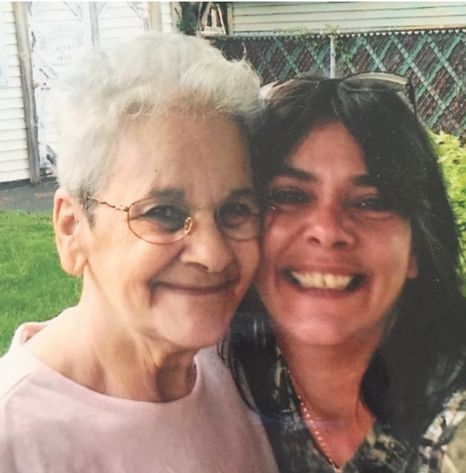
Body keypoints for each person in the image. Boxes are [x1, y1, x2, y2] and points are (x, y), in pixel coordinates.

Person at [0, 33, 278, 473]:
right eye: (163, 213)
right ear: (72, 229)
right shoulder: (15, 439)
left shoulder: (236, 370)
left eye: (235, 211)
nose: (213, 255)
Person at [225, 75, 466, 472]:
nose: (327, 230)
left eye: (371, 202)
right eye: (289, 195)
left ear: (416, 249)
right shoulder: (229, 369)